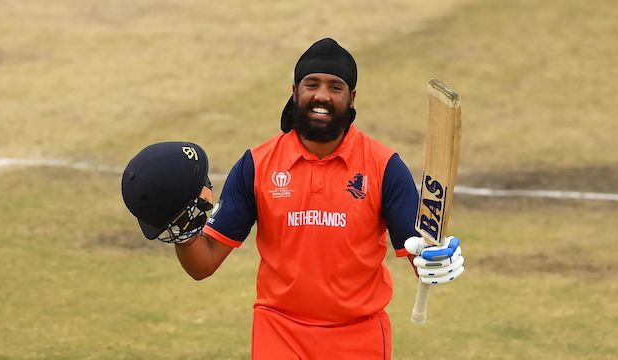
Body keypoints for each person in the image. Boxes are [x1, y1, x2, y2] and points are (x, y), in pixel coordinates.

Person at [121, 38, 465, 359]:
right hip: (279, 331)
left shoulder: (384, 167)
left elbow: (420, 255)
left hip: (359, 335)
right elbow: (204, 263)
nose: (322, 96)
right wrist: (185, 232)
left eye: (335, 87)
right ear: (295, 90)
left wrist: (435, 262)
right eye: (312, 84)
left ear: (352, 97)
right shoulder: (257, 164)